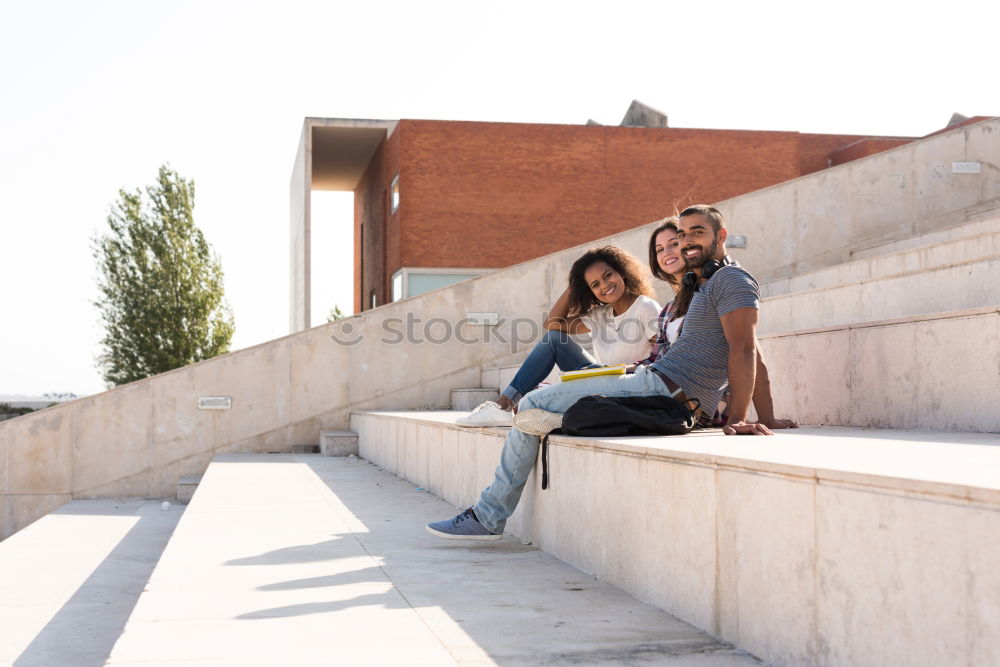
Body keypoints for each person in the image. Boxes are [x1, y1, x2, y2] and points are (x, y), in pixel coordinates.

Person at [427, 204, 794, 541]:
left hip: (661, 389)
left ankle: (488, 517)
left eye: (697, 232)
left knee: (533, 405)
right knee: (532, 412)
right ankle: (542, 434)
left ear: (722, 235)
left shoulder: (731, 280)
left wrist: (742, 416)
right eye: (682, 235)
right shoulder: (703, 285)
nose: (686, 242)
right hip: (653, 383)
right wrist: (770, 415)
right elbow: (751, 353)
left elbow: (746, 349)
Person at [456, 246, 661, 427]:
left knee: (544, 391)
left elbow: (661, 360)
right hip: (602, 380)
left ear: (622, 273)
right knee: (555, 339)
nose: (604, 285)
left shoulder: (645, 307)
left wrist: (626, 369)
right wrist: (575, 284)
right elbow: (553, 325)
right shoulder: (600, 315)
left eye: (608, 275)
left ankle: (504, 406)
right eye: (595, 284)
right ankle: (504, 405)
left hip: (630, 384)